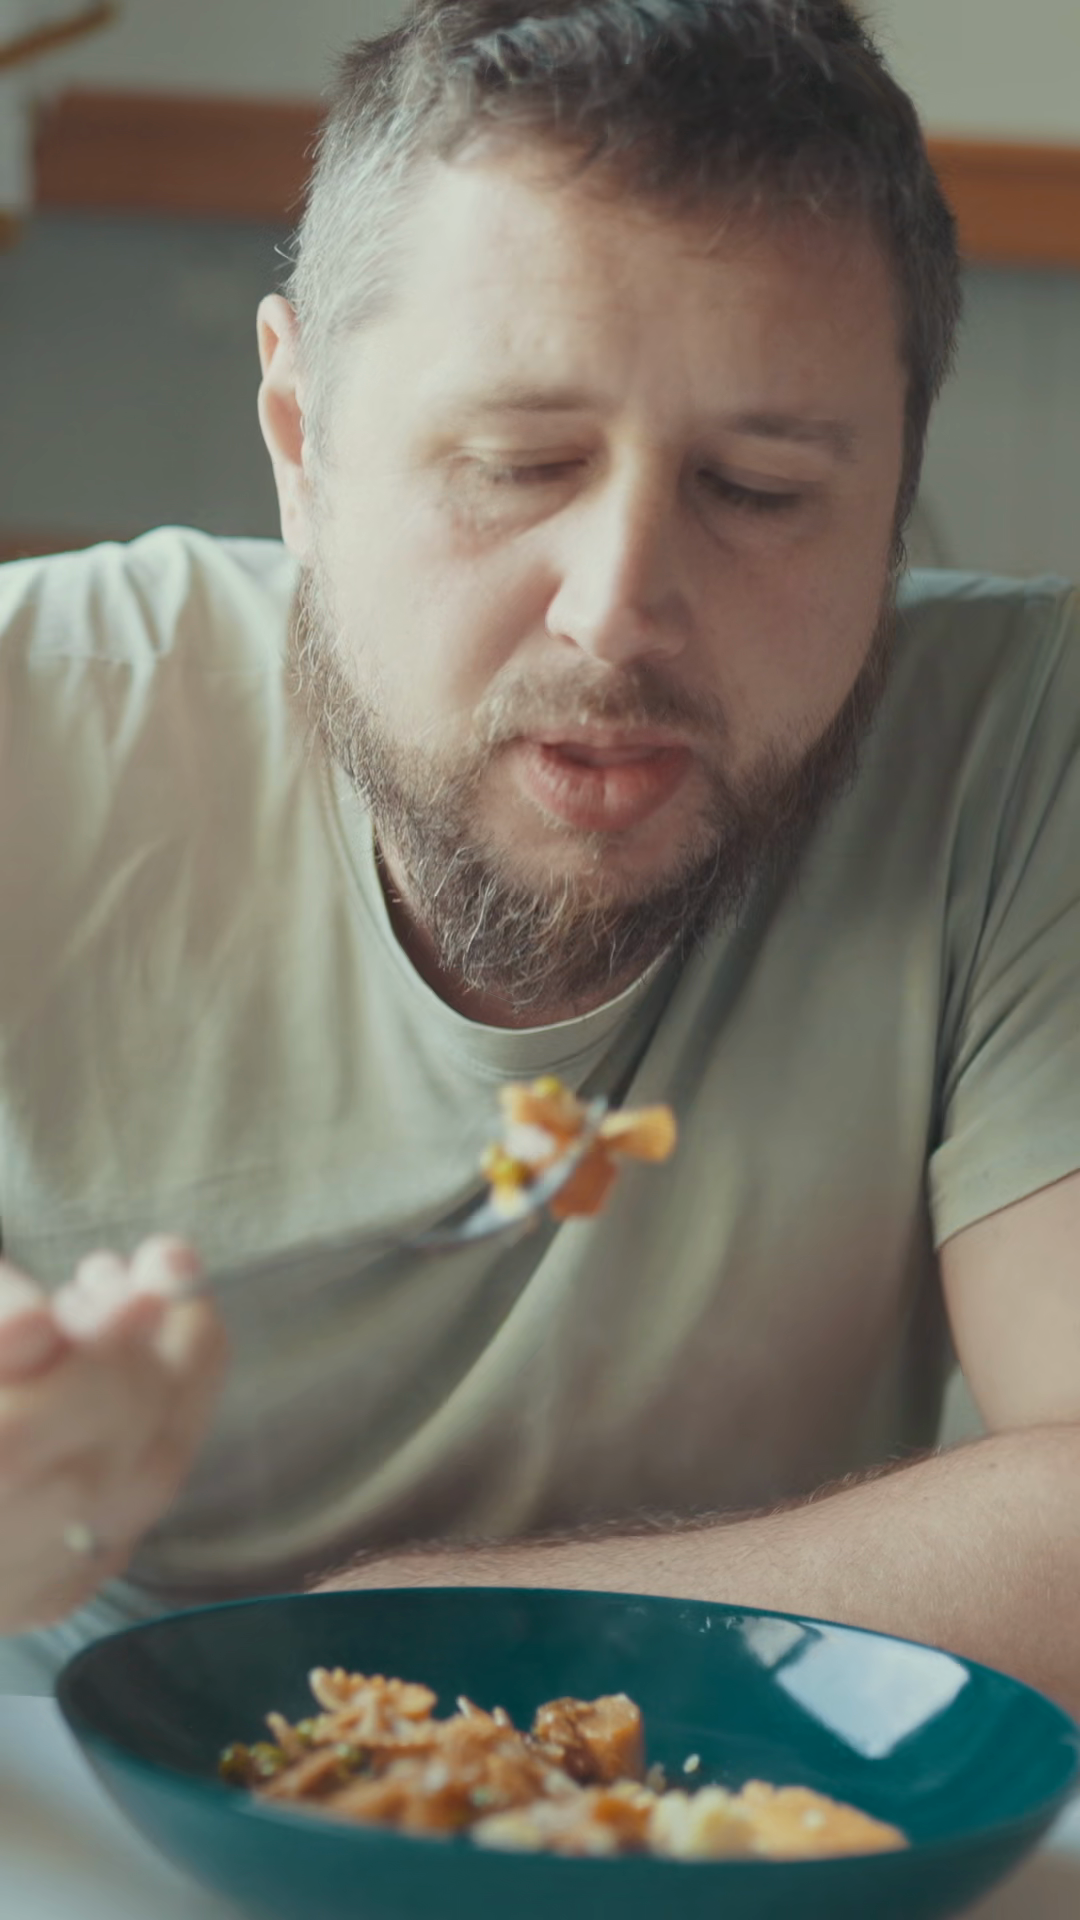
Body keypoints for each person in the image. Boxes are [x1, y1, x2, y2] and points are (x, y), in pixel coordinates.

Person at [2, 0, 1079, 1712]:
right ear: (300, 438)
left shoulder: (1027, 750)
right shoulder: (34, 720)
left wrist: (403, 1642)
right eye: (515, 466)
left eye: (760, 489)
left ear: (895, 494)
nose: (618, 609)